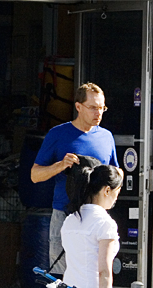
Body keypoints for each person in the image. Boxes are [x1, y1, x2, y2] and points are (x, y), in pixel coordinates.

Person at [30, 82, 119, 275]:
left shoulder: (106, 137)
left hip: (96, 215)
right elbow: (35, 175)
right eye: (93, 107)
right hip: (65, 212)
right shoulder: (58, 134)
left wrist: (111, 197)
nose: (99, 113)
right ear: (78, 107)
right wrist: (61, 165)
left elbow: (116, 175)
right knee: (63, 276)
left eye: (102, 107)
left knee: (95, 271)